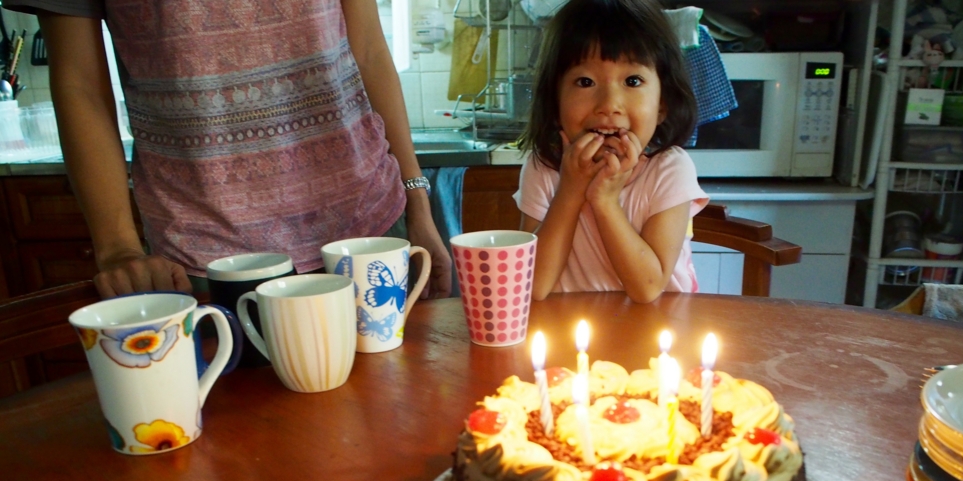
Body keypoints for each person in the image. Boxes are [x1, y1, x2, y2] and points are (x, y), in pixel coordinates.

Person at [12, 0, 452, 300]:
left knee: (390, 415)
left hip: (368, 223)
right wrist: (118, 248)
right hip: (206, 251)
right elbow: (80, 83)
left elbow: (371, 51)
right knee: (234, 431)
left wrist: (417, 202)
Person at [514, 0, 708, 304]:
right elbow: (534, 286)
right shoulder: (544, 167)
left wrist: (604, 200)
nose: (609, 104)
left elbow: (647, 288)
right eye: (585, 81)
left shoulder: (670, 169)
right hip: (566, 337)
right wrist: (570, 190)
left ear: (662, 105)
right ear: (554, 103)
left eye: (633, 81)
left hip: (656, 336)